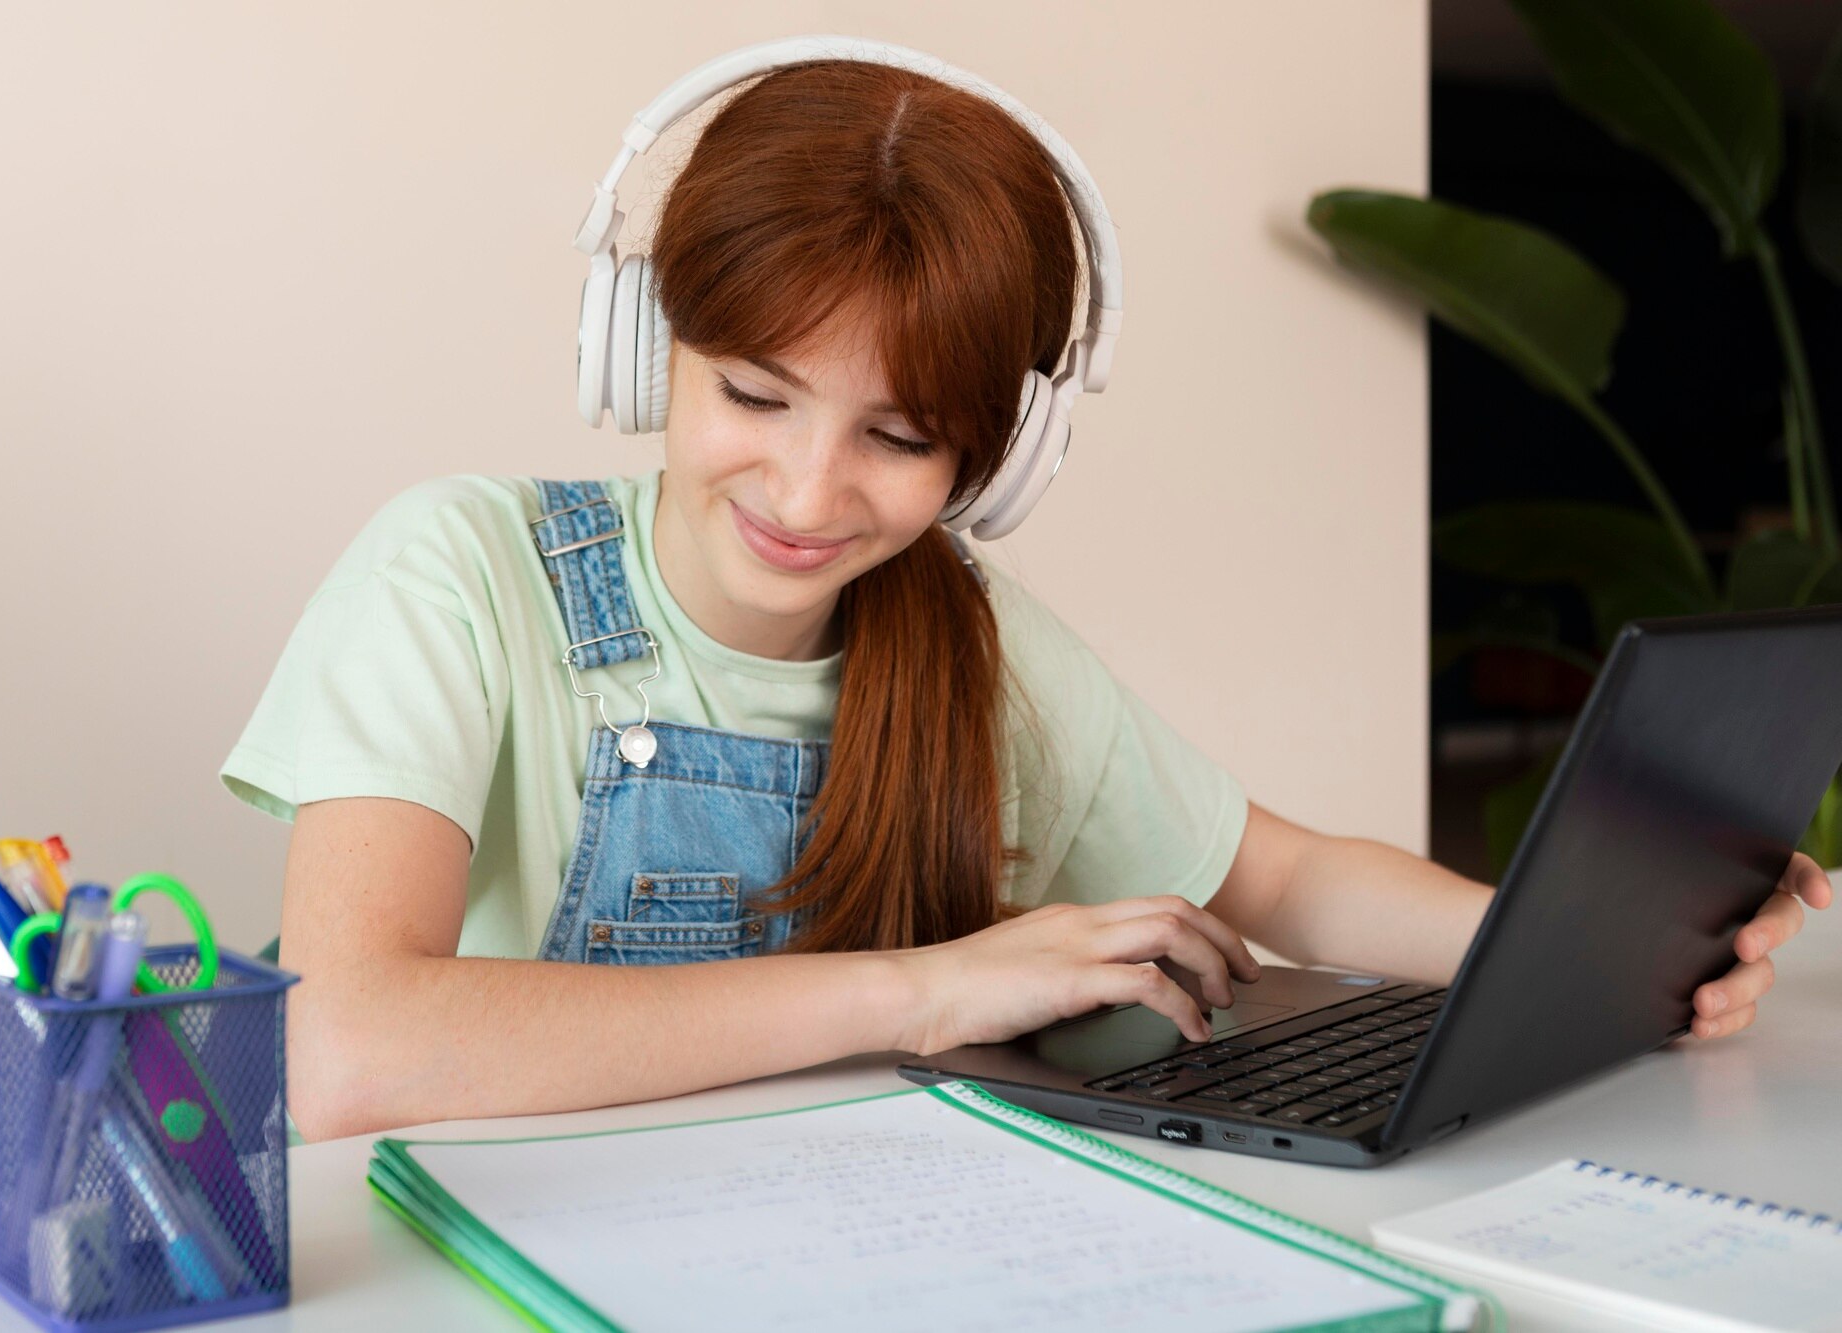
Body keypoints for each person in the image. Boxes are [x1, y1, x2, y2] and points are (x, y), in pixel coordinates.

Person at [220, 50, 1831, 1143]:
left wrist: (1595, 948)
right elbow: (341, 1040)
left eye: (899, 437)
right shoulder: (458, 575)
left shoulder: (969, 649)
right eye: (755, 395)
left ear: (1000, 456)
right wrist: (923, 991)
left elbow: (1284, 873)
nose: (806, 491)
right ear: (650, 350)